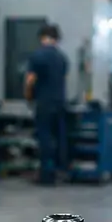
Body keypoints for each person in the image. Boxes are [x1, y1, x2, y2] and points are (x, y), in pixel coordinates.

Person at [24, 24, 69, 185]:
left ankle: (46, 175)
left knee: (44, 138)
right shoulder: (62, 58)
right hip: (60, 103)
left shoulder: (38, 56)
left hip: (44, 102)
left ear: (42, 37)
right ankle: (59, 171)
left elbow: (30, 80)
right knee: (58, 138)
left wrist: (28, 96)